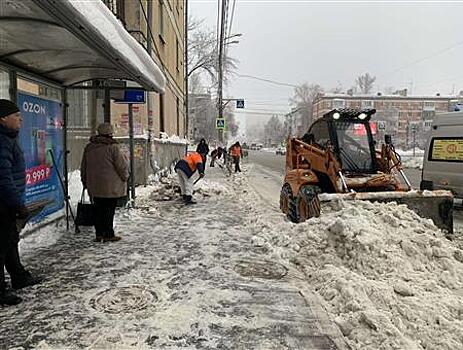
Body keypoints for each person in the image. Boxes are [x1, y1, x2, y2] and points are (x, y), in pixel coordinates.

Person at [0, 99, 42, 306]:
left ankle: (19, 276)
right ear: (3, 119)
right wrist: (17, 204)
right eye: (16, 116)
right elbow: (3, 178)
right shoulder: (1, 141)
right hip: (3, 204)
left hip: (8, 202)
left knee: (10, 241)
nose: (21, 119)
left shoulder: (8, 138)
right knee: (2, 245)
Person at [81, 123, 129, 243]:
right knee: (109, 210)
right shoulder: (113, 147)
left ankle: (99, 234)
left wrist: (85, 181)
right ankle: (108, 234)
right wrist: (125, 177)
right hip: (110, 186)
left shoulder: (89, 147)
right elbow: (121, 166)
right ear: (110, 134)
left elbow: (83, 166)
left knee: (98, 209)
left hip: (94, 186)